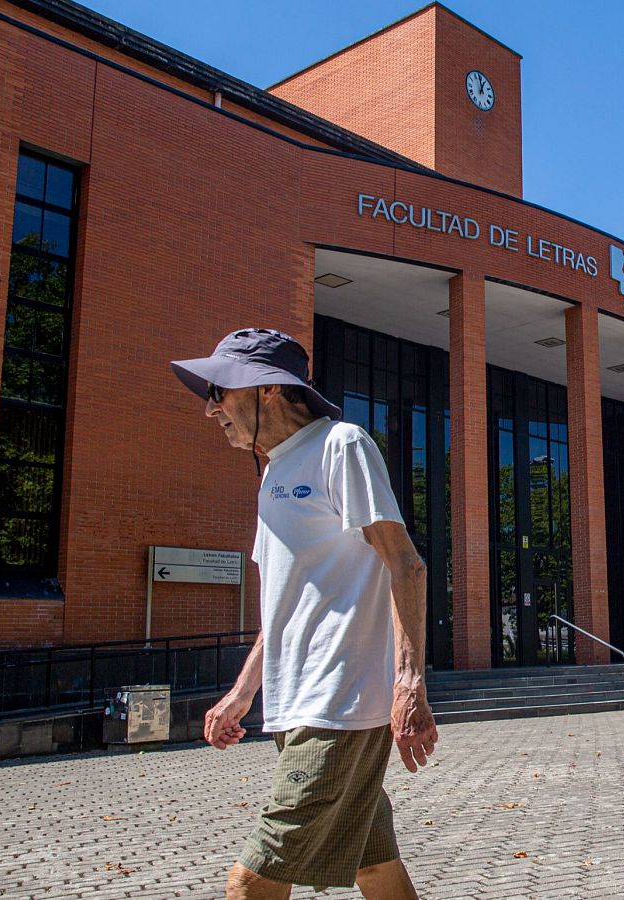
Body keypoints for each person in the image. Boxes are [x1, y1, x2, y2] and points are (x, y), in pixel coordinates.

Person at [172, 328, 438, 899]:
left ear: (267, 389)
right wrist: (242, 693)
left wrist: (409, 682)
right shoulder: (273, 473)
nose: (210, 408)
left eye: (219, 391)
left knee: (251, 880)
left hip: (339, 705)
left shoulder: (341, 446)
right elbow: (288, 605)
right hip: (295, 705)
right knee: (374, 866)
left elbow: (405, 565)